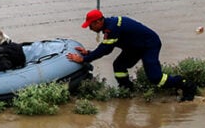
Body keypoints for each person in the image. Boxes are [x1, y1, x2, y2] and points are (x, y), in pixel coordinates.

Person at [67, 9, 196, 101]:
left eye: (90, 25)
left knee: (155, 78)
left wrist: (84, 59)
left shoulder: (112, 28)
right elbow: (105, 46)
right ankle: (127, 89)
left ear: (98, 22)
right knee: (119, 65)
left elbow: (106, 50)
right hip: (134, 47)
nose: (90, 29)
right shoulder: (109, 26)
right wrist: (89, 53)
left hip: (149, 45)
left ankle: (185, 84)